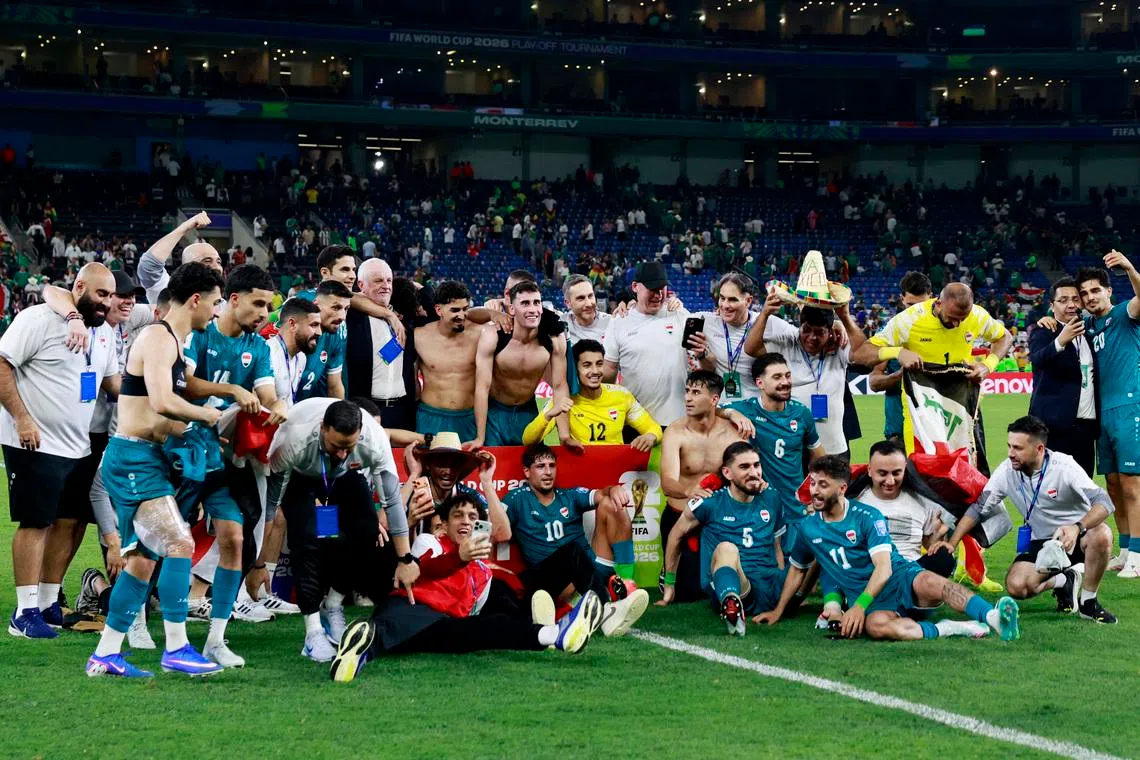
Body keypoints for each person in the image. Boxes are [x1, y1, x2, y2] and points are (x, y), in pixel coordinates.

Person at [86, 262, 233, 677]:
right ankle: (177, 647)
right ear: (196, 300)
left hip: (145, 457)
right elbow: (164, 400)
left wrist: (192, 430)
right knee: (179, 542)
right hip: (132, 459)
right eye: (216, 302)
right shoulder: (157, 336)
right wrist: (206, 415)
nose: (216, 312)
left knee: (143, 561)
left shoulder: (173, 342)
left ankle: (105, 654)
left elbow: (159, 413)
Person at [328, 493, 605, 683]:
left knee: (486, 627)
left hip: (444, 626)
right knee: (388, 628)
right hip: (411, 608)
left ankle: (558, 633)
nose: (466, 521)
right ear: (444, 525)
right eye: (458, 516)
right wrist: (458, 557)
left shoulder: (481, 570)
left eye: (473, 517)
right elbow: (421, 571)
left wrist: (560, 609)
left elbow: (500, 605)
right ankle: (362, 645)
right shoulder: (429, 542)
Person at [758, 456, 1022, 643]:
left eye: (822, 485)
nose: (814, 491)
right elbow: (797, 570)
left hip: (899, 578)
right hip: (873, 600)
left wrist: (858, 606)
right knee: (876, 628)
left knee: (931, 581)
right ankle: (949, 629)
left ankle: (992, 615)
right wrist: (779, 611)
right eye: (813, 483)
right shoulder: (808, 527)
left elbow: (884, 569)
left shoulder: (867, 516)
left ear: (841, 489)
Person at [1, 263, 120, 639]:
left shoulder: (104, 334)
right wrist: (22, 418)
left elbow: (113, 384)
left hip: (78, 445)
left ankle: (50, 603)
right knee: (36, 522)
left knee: (70, 521)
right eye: (100, 295)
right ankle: (24, 612)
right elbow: (2, 365)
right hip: (34, 440)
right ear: (80, 286)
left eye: (110, 297)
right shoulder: (37, 318)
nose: (106, 304)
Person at [36, 270, 155, 634]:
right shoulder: (90, 317)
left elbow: (169, 302)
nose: (125, 303)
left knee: (82, 519)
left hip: (104, 433)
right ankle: (46, 598)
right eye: (116, 296)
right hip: (77, 430)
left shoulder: (129, 320)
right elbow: (50, 288)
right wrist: (73, 315)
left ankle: (79, 592)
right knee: (66, 519)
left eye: (130, 298)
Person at [267, 398, 414, 662]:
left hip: (342, 478)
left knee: (368, 530)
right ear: (323, 428)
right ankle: (312, 634)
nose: (342, 453)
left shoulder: (375, 441)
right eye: (336, 446)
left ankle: (333, 605)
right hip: (301, 475)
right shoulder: (292, 439)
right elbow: (271, 504)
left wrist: (405, 559)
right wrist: (261, 564)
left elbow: (392, 502)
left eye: (349, 446)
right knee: (308, 538)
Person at [934, 416, 1117, 623]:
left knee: (1102, 534)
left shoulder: (1064, 466)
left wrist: (1077, 527)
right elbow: (979, 508)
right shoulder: (1006, 471)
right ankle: (1064, 581)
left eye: (1018, 448)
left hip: (1078, 538)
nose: (1011, 454)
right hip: (1043, 541)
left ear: (1039, 449)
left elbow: (1104, 502)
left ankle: (1088, 603)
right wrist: (952, 542)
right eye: (1010, 446)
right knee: (1017, 587)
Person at [183, 264, 287, 621]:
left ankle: (224, 596)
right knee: (174, 527)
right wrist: (232, 390)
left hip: (232, 447)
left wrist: (279, 406)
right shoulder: (200, 333)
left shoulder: (258, 347)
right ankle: (152, 603)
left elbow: (267, 394)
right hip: (188, 443)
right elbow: (188, 385)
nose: (262, 314)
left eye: (267, 307)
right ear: (233, 299)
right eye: (257, 305)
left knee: (249, 520)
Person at [501, 443, 649, 637]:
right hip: (555, 581)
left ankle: (625, 584)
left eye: (551, 466)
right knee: (571, 551)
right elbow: (497, 531)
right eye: (540, 466)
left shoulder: (568, 496)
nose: (547, 472)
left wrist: (613, 490)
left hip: (590, 567)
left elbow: (601, 494)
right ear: (527, 472)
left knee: (612, 505)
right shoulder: (515, 499)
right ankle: (605, 608)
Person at [658, 442, 787, 637]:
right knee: (726, 548)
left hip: (768, 585)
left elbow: (777, 546)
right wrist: (669, 585)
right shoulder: (709, 503)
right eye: (744, 467)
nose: (754, 472)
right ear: (727, 473)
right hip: (736, 584)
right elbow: (675, 536)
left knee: (813, 538)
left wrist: (784, 589)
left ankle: (835, 604)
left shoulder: (772, 498)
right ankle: (731, 604)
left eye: (756, 465)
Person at [1074, 255, 1140, 577]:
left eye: (1095, 290)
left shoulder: (1125, 313)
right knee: (1112, 484)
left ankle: (1139, 557)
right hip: (1102, 414)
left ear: (1108, 291)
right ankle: (1126, 550)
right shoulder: (1088, 326)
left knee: (1131, 484)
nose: (1090, 297)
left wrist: (1129, 269)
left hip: (1130, 407)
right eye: (1084, 293)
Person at [658, 371, 747, 602]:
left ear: (714, 400)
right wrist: (689, 491)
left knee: (717, 587)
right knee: (688, 594)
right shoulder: (675, 432)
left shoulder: (733, 431)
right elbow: (667, 483)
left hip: (717, 519)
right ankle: (669, 572)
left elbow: (745, 473)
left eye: (696, 392)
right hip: (680, 516)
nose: (688, 397)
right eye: (687, 391)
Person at [746, 292, 865, 460]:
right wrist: (765, 314)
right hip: (795, 447)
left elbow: (863, 353)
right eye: (806, 330)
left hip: (833, 447)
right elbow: (751, 349)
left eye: (819, 332)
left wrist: (844, 318)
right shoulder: (788, 343)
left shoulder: (838, 345)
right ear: (799, 326)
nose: (811, 337)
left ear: (830, 332)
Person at [721, 354, 824, 539]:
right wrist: (732, 413)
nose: (785, 382)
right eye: (777, 377)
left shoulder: (802, 413)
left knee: (797, 564)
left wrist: (813, 493)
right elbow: (713, 407)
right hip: (761, 506)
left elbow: (819, 459)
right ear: (760, 383)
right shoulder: (748, 409)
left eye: (787, 375)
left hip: (796, 507)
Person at [603, 261, 704, 427]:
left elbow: (701, 356)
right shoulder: (619, 321)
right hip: (633, 422)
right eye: (652, 289)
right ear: (635, 287)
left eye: (661, 288)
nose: (658, 295)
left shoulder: (680, 315)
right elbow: (609, 370)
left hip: (676, 421)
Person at [474, 280, 570, 447]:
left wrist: (564, 436)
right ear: (511, 309)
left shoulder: (554, 338)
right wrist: (480, 437)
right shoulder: (493, 335)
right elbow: (482, 387)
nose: (533, 309)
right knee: (494, 468)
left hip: (529, 411)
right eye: (525, 303)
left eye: (536, 303)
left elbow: (560, 386)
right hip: (495, 413)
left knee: (532, 469)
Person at [522, 339, 663, 452]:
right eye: (587, 365)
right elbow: (527, 440)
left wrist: (651, 436)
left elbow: (653, 428)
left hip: (616, 471)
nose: (595, 371)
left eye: (599, 364)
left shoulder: (621, 395)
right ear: (575, 369)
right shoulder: (564, 400)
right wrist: (549, 415)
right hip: (581, 475)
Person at [850, 440, 955, 577]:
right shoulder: (855, 502)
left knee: (943, 558)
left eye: (896, 473)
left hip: (912, 570)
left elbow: (929, 546)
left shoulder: (922, 500)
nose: (890, 481)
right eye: (883, 473)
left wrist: (938, 537)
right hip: (871, 570)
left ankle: (913, 595)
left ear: (905, 469)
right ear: (869, 470)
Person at [1028, 277, 1098, 476]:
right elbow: (1037, 360)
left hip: (1085, 427)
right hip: (1052, 426)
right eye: (1064, 300)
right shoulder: (1044, 330)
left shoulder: (1089, 332)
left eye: (1076, 299)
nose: (1071, 304)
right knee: (1050, 488)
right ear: (1052, 305)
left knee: (1083, 489)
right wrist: (1060, 341)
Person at [344, 258, 418, 438]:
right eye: (378, 281)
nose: (386, 286)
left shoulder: (404, 318)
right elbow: (341, 295)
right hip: (365, 411)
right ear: (361, 285)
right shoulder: (349, 317)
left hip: (402, 413)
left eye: (389, 280)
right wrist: (388, 315)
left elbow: (431, 298)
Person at [868, 272, 932, 440]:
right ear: (902, 299)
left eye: (922, 305)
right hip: (900, 429)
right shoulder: (890, 332)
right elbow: (874, 383)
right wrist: (902, 375)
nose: (916, 311)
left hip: (935, 427)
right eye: (910, 305)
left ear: (931, 297)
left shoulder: (943, 330)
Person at [415, 281, 482, 442]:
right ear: (439, 309)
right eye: (455, 310)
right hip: (430, 416)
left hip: (467, 417)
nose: (462, 315)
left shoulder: (480, 333)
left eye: (465, 309)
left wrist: (496, 313)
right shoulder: (419, 335)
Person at [695, 273, 762, 403]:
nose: (725, 305)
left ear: (748, 301)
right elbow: (677, 318)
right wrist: (674, 305)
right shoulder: (708, 321)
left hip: (756, 410)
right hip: (722, 409)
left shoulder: (764, 324)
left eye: (732, 299)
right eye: (722, 298)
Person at [136, 212, 222, 306]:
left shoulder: (223, 305)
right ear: (187, 267)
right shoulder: (170, 290)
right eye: (207, 261)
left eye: (219, 262)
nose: (217, 267)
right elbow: (148, 264)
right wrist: (185, 226)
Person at [296, 280, 351, 402]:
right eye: (336, 307)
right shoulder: (294, 331)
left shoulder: (335, 336)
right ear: (316, 305)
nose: (342, 316)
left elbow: (335, 385)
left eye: (346, 309)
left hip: (302, 410)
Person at [268, 298, 321, 408]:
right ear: (292, 324)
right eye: (314, 325)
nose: (319, 332)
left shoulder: (301, 357)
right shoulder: (268, 353)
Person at [558, 274, 613, 343]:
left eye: (590, 296)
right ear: (568, 303)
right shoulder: (562, 324)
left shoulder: (611, 323)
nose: (588, 304)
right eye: (581, 298)